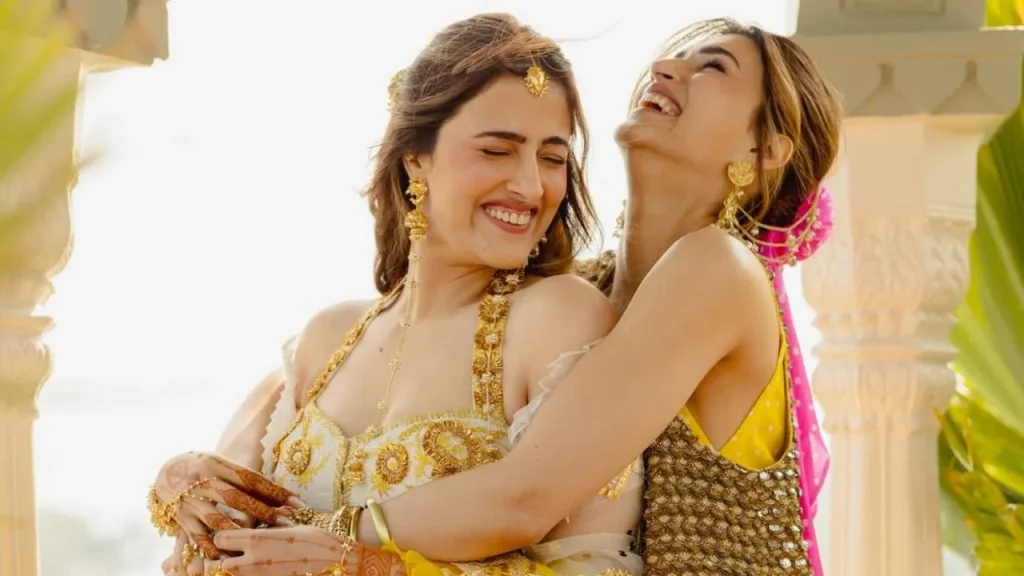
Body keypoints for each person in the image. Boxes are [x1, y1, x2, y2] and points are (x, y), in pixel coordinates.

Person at [320, 16, 839, 576]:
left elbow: (525, 497)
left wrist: (322, 533)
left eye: (712, 66)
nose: (664, 67)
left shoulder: (719, 268)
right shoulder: (583, 290)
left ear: (766, 149)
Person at [150, 13, 645, 576]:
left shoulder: (559, 317)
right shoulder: (327, 337)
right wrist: (191, 500)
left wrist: (366, 564)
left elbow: (572, 553)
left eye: (552, 158)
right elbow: (225, 508)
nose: (531, 186)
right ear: (415, 157)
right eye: (497, 150)